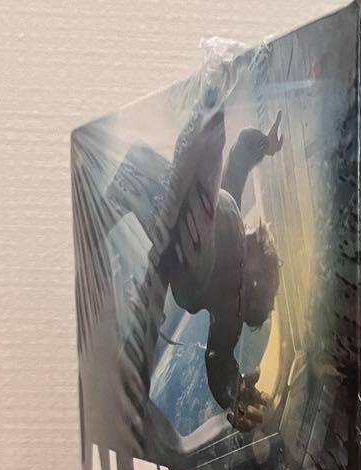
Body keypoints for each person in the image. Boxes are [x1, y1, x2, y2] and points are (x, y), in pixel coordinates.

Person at [106, 107, 284, 432]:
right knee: (211, 215)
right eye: (250, 240)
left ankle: (171, 208)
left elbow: (219, 365)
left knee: (198, 242)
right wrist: (267, 144)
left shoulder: (229, 314)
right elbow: (243, 148)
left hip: (183, 256)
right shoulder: (230, 215)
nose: (247, 240)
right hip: (162, 202)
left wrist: (235, 393)